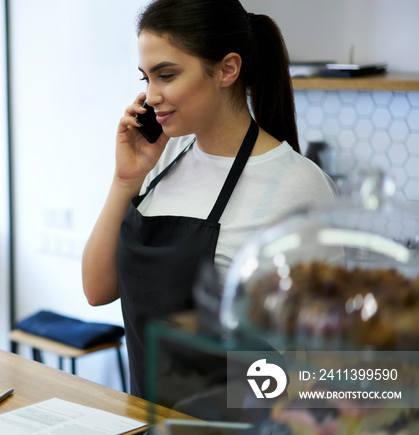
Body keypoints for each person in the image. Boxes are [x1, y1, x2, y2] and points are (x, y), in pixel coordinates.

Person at [81, 0, 337, 398]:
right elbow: (98, 290)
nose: (150, 96)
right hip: (148, 430)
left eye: (166, 75)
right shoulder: (161, 157)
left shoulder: (298, 187)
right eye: (145, 78)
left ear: (227, 69)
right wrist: (123, 179)